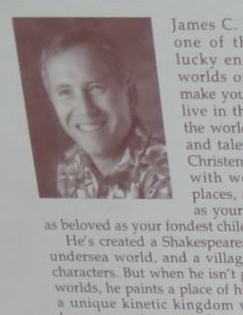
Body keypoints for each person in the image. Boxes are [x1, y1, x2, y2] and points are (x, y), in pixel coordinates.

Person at [39, 26, 171, 199]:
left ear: (130, 94)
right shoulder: (69, 167)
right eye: (65, 92)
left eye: (96, 88)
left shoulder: (166, 175)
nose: (85, 109)